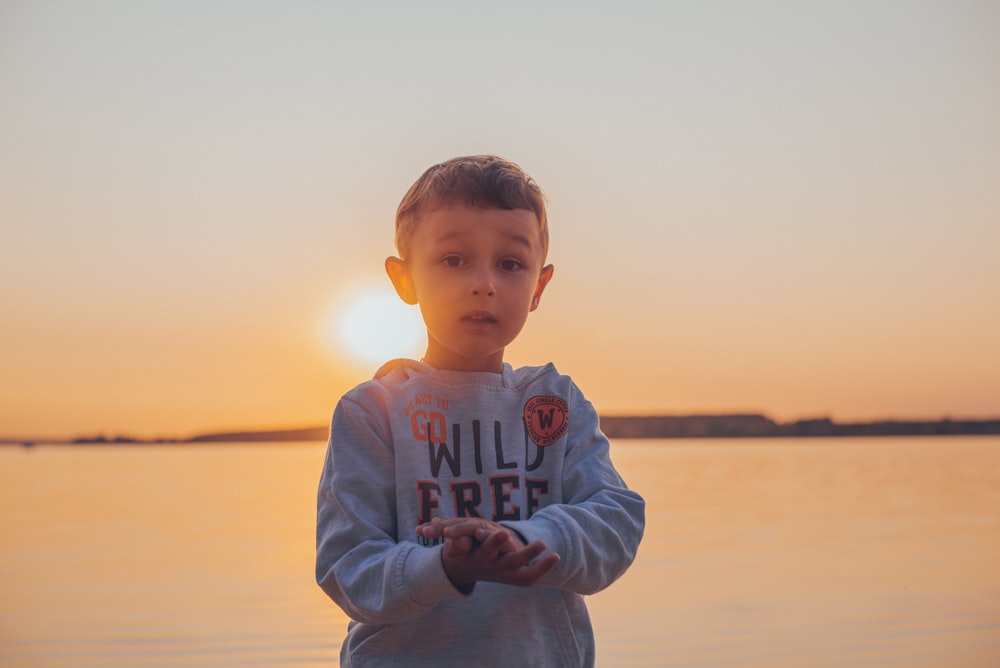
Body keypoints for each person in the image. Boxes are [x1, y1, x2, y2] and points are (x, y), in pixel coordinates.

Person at [316, 155, 645, 667]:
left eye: (510, 264)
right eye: (453, 260)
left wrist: (524, 539)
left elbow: (615, 521)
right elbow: (348, 567)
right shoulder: (372, 412)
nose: (484, 283)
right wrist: (445, 565)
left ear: (538, 287)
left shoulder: (554, 403)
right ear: (405, 280)